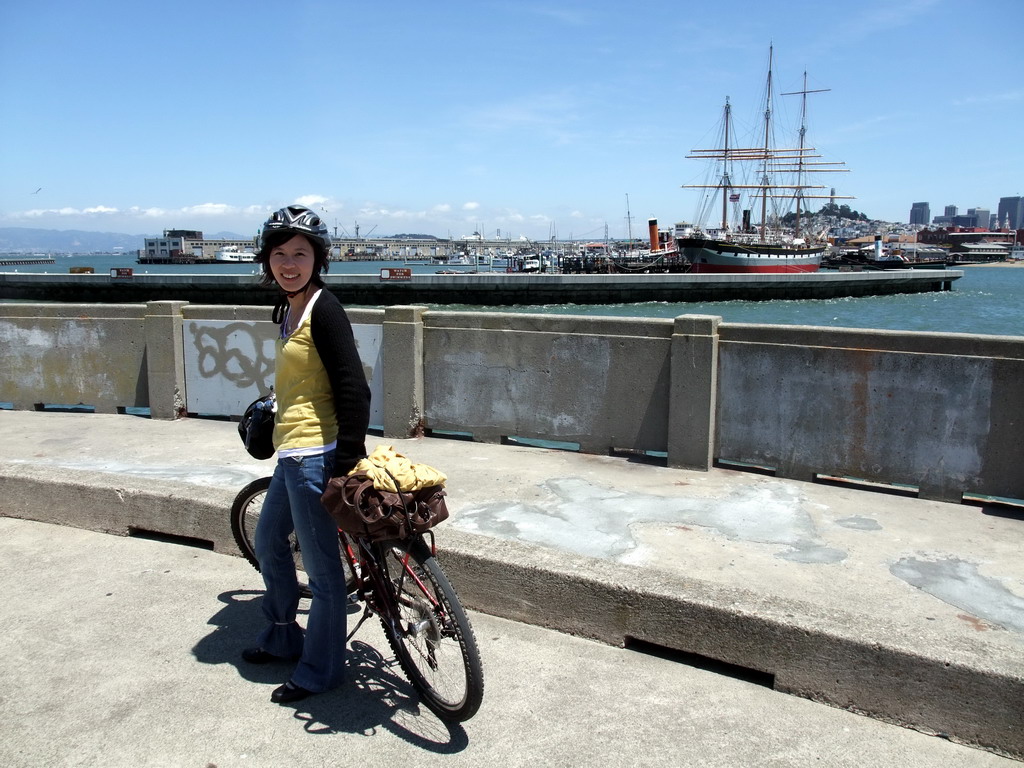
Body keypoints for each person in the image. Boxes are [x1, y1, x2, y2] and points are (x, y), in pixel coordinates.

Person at [243, 204, 371, 704]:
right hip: (290, 450)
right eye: (280, 254)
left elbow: (354, 389)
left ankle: (320, 670)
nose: (289, 263)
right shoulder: (286, 306)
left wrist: (347, 460)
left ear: (318, 259)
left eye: (300, 253)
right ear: (267, 260)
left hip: (316, 455)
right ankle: (282, 634)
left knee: (322, 574)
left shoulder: (325, 308)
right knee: (268, 539)